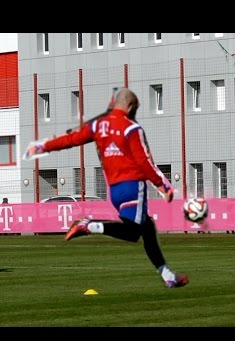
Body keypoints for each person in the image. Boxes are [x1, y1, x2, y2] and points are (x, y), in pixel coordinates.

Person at [24, 88, 188, 288]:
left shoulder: (98, 125)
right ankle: (89, 225)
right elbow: (144, 162)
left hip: (115, 191)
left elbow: (71, 139)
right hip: (133, 186)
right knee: (133, 231)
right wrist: (163, 185)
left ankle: (167, 275)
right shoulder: (131, 128)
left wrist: (42, 146)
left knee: (146, 227)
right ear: (129, 106)